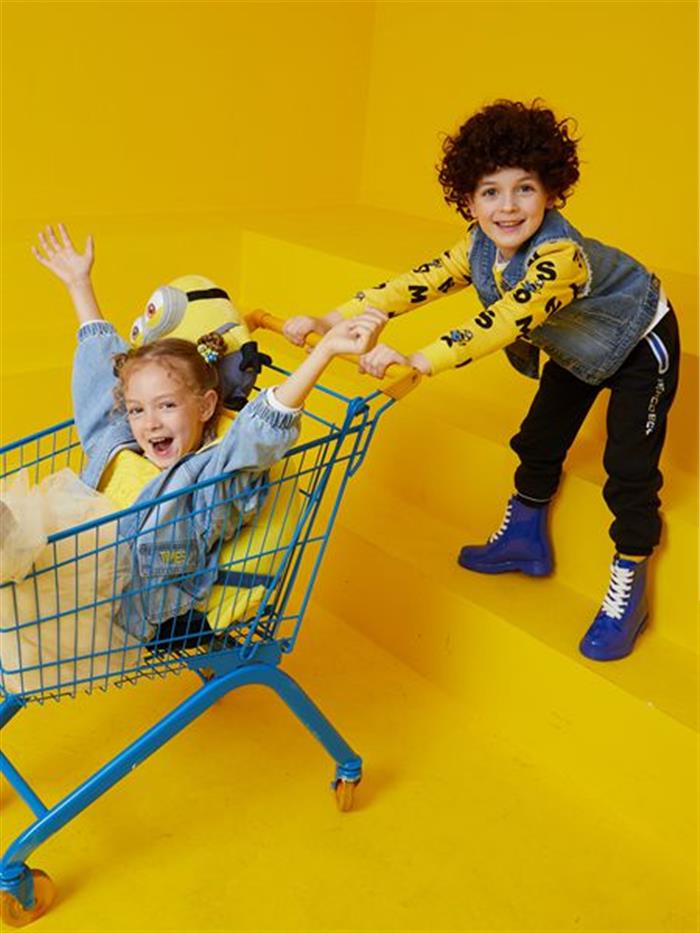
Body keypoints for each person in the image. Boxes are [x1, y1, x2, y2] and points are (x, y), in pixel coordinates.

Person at [282, 99, 680, 662]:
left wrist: (419, 361)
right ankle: (525, 540)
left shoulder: (560, 257)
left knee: (629, 469)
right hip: (578, 345)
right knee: (538, 440)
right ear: (469, 201)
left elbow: (501, 322)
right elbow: (413, 284)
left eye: (525, 189)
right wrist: (330, 319)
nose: (508, 207)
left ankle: (629, 584)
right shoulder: (478, 245)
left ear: (551, 192)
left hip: (639, 341)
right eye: (491, 192)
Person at [32, 224, 386, 643]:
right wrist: (79, 284)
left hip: (126, 609)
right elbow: (100, 377)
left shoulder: (210, 477)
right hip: (68, 576)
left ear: (205, 406)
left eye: (167, 405)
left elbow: (258, 433)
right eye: (137, 409)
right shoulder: (121, 442)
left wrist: (324, 351)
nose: (150, 422)